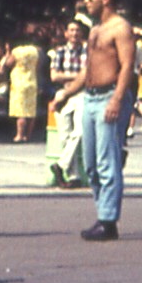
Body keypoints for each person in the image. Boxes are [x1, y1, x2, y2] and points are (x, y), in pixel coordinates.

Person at [51, 0, 138, 243]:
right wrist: (66, 93)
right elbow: (88, 69)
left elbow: (127, 66)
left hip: (109, 96)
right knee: (90, 164)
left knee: (106, 161)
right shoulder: (95, 29)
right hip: (89, 98)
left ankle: (108, 220)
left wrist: (117, 100)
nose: (87, 1)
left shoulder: (121, 28)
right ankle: (102, 214)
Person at [44, 18, 88, 188]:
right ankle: (73, 176)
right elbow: (54, 76)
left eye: (77, 30)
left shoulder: (87, 52)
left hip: (82, 94)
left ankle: (60, 165)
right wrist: (79, 76)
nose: (74, 33)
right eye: (71, 30)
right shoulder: (60, 52)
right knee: (65, 136)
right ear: (66, 33)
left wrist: (71, 77)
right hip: (62, 94)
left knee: (80, 131)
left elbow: (89, 75)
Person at [7, 28, 42, 143]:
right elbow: (38, 66)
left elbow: (8, 64)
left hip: (19, 82)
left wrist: (7, 52)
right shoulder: (36, 51)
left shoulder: (16, 51)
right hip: (32, 81)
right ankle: (28, 135)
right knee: (31, 111)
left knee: (21, 111)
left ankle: (19, 135)